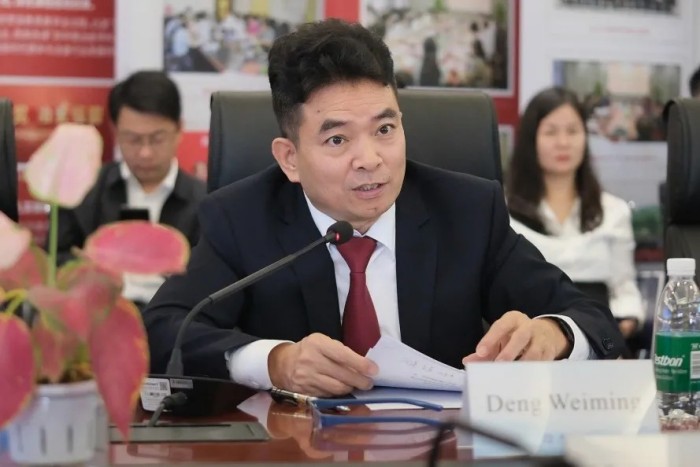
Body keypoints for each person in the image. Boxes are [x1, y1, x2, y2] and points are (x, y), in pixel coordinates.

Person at [144, 20, 625, 397]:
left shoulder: (467, 212)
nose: (370, 159)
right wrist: (275, 362)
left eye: (385, 129)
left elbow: (592, 318)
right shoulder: (239, 218)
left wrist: (554, 335)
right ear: (290, 159)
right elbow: (164, 330)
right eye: (337, 139)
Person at [56, 70, 206, 309]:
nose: (145, 152)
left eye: (156, 139)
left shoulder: (206, 201)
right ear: (115, 132)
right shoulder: (84, 190)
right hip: (99, 314)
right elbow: (55, 258)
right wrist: (84, 268)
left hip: (174, 319)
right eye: (133, 139)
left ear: (179, 130)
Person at [506, 87, 645, 343]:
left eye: (572, 131)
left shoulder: (613, 211)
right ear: (530, 140)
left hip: (598, 340)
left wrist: (625, 322)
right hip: (529, 341)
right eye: (551, 132)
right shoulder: (504, 212)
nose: (563, 142)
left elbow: (624, 289)